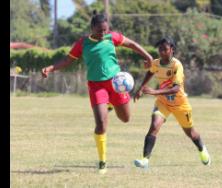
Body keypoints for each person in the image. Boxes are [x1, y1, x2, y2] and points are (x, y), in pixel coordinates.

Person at [41, 12, 153, 174]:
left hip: (116, 84)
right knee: (101, 123)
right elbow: (67, 60)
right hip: (96, 86)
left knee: (125, 118)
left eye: (105, 30)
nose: (103, 33)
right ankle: (102, 162)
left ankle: (110, 104)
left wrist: (148, 56)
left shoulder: (112, 37)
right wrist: (50, 68)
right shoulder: (83, 43)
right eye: (100, 30)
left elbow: (132, 45)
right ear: (92, 28)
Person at [133, 37, 211, 168]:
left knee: (190, 133)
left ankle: (202, 149)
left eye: (165, 49)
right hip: (163, 103)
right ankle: (145, 160)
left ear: (172, 50)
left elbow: (176, 89)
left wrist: (154, 91)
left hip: (180, 105)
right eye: (160, 49)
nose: (162, 52)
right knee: (154, 126)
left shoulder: (177, 65)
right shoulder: (156, 63)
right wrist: (141, 88)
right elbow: (150, 72)